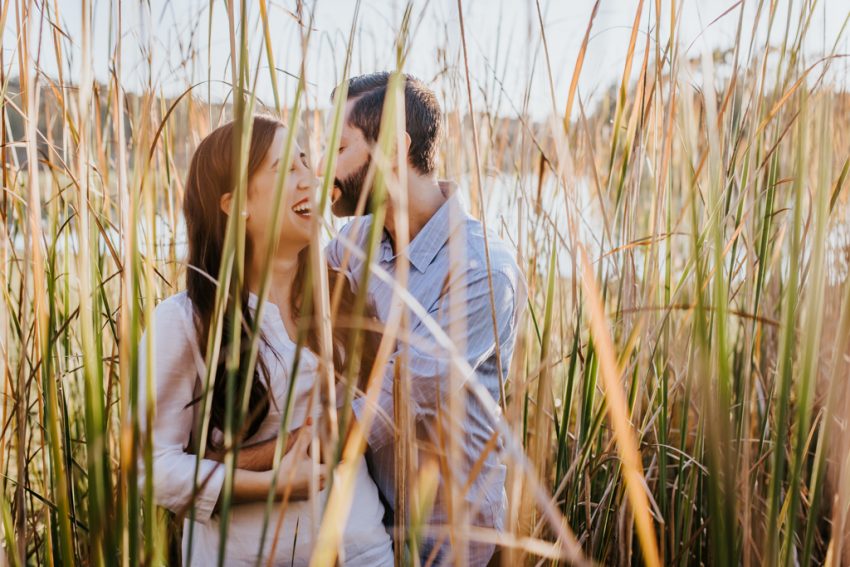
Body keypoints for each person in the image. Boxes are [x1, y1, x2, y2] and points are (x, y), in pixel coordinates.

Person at [137, 115, 393, 566]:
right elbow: (150, 468)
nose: (310, 179)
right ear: (236, 204)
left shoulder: (342, 297)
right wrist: (269, 484)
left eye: (306, 163)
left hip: (362, 553)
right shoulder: (188, 320)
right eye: (285, 169)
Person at [325, 72, 527, 565]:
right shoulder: (353, 244)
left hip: (454, 545)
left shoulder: (482, 270)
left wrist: (242, 467)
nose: (325, 168)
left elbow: (387, 408)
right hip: (370, 527)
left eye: (340, 148)